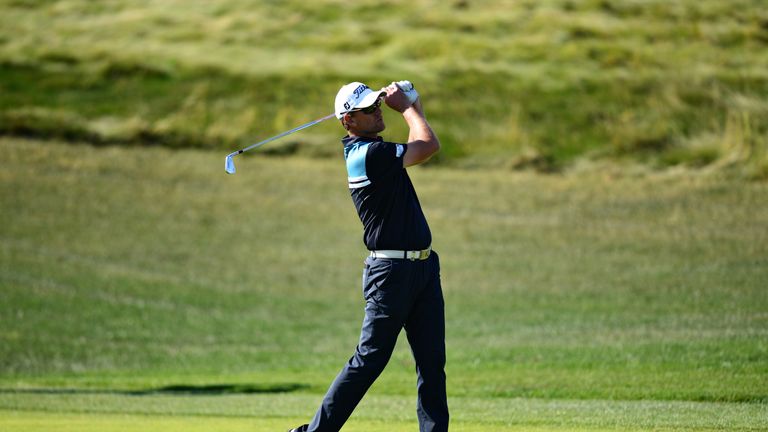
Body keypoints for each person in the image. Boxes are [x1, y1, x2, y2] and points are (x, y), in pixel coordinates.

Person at [288, 81, 448, 432]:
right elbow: (428, 145)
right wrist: (407, 108)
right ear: (348, 121)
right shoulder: (367, 154)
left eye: (377, 104)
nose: (377, 111)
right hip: (390, 273)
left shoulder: (377, 150)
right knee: (370, 360)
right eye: (369, 109)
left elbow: (420, 143)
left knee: (432, 362)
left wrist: (412, 105)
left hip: (423, 267)